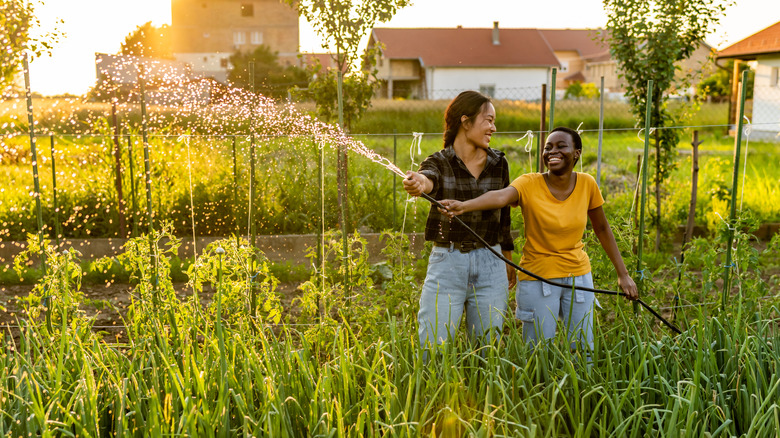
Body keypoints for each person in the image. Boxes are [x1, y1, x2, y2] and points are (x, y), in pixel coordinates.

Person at [438, 126, 638, 352]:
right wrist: (464, 206)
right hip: (538, 277)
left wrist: (623, 275)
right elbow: (501, 196)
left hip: (578, 277)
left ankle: (579, 387)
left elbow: (602, 228)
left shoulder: (587, 183)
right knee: (537, 351)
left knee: (583, 349)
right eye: (548, 147)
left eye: (561, 146)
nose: (553, 151)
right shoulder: (529, 183)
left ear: (577, 153)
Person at [403, 90, 516, 350]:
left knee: (488, 350)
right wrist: (419, 183)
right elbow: (428, 177)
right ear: (466, 122)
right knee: (433, 347)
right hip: (448, 263)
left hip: (491, 262)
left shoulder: (499, 162)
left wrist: (507, 258)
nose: (493, 127)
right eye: (488, 120)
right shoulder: (439, 162)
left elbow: (505, 216)